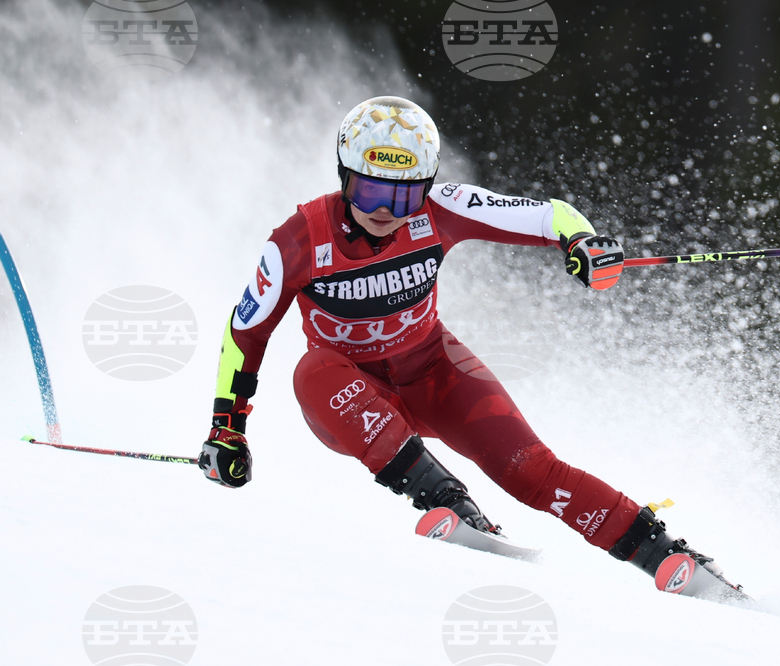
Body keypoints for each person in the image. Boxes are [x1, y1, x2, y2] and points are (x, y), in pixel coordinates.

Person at [198, 96, 738, 595]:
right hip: (350, 397)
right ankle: (446, 499)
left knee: (531, 469)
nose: (385, 210)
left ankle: (664, 553)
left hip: (434, 372)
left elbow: (545, 216)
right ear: (345, 178)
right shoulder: (297, 239)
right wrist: (227, 430)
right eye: (370, 190)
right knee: (312, 368)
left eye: (404, 193)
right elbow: (245, 333)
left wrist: (582, 242)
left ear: (426, 186)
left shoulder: (442, 208)